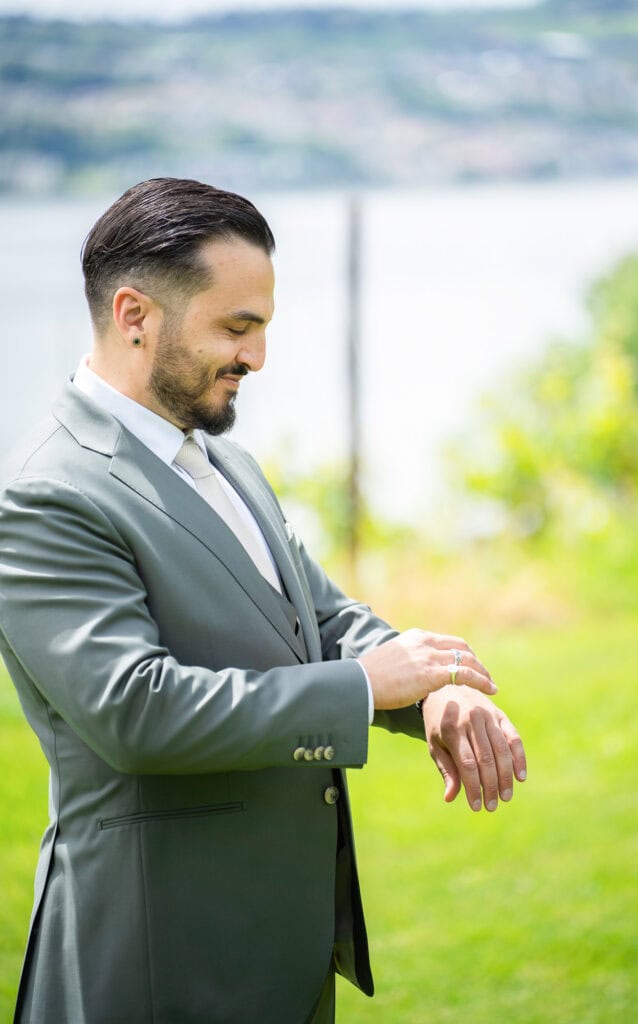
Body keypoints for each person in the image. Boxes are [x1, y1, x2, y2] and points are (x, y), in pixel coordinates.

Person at [0, 177, 526, 1024]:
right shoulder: (45, 496)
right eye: (236, 328)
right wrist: (364, 689)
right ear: (135, 314)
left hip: (283, 948)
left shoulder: (223, 458)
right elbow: (138, 711)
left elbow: (316, 620)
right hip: (157, 961)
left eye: (264, 328)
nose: (257, 358)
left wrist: (436, 689)